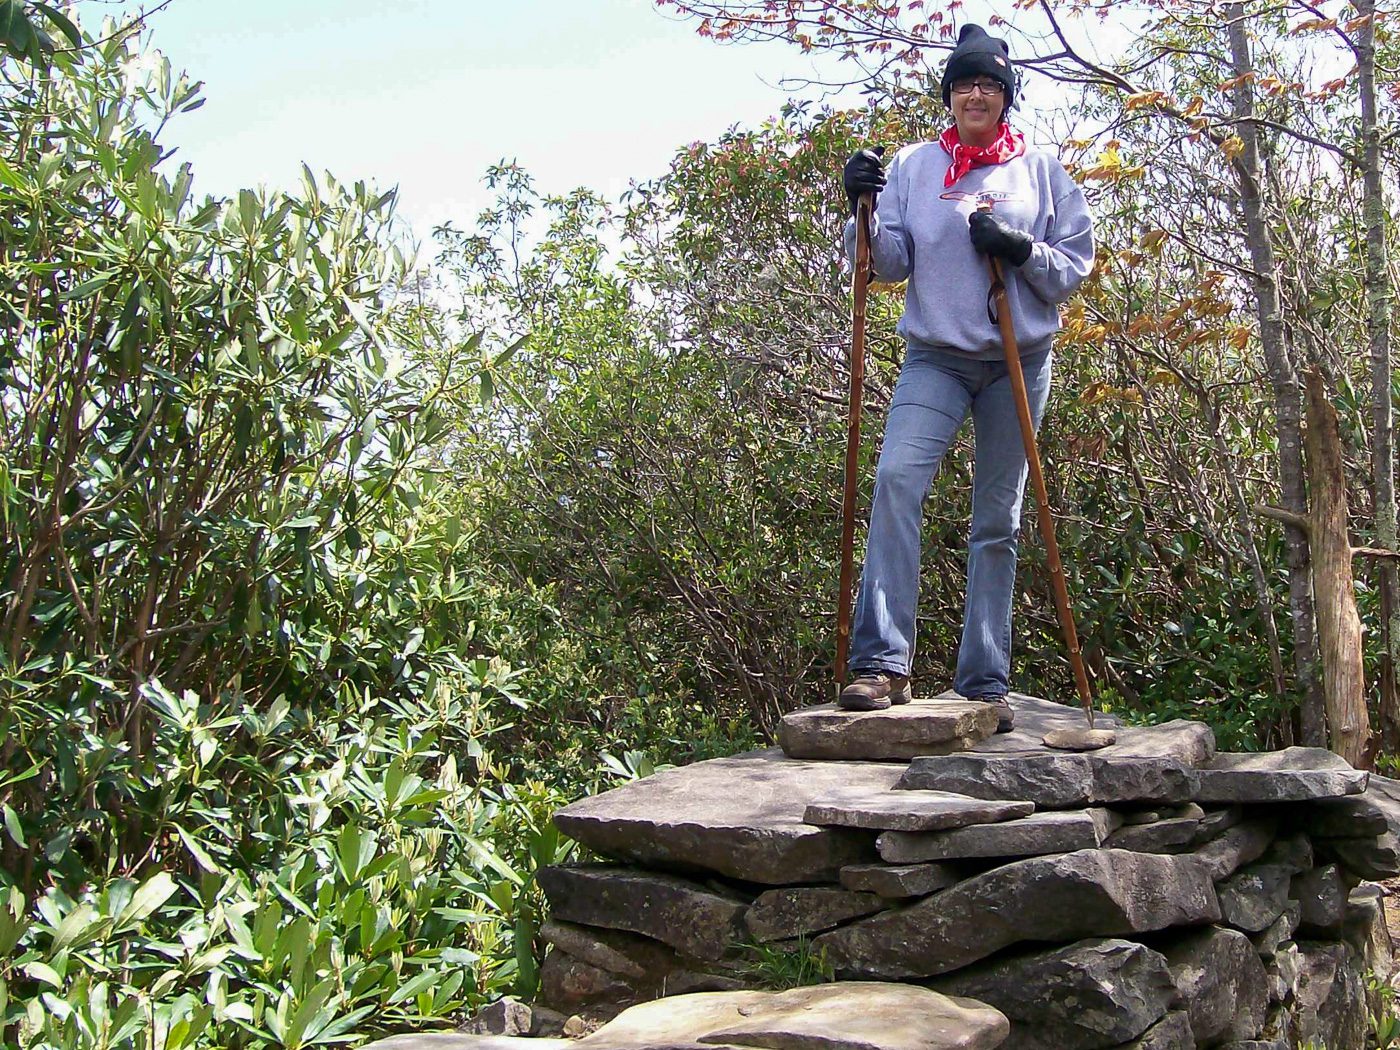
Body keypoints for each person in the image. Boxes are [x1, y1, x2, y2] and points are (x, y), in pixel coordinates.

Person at [836, 23, 1095, 728]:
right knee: (895, 480)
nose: (975, 94)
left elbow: (1072, 266)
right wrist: (860, 205)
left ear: (1006, 97)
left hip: (1019, 360)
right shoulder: (916, 166)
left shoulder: (1040, 170)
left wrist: (1020, 251)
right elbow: (885, 264)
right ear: (949, 95)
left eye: (989, 85)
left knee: (997, 520)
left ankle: (984, 679)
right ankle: (881, 665)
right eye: (964, 84)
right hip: (936, 356)